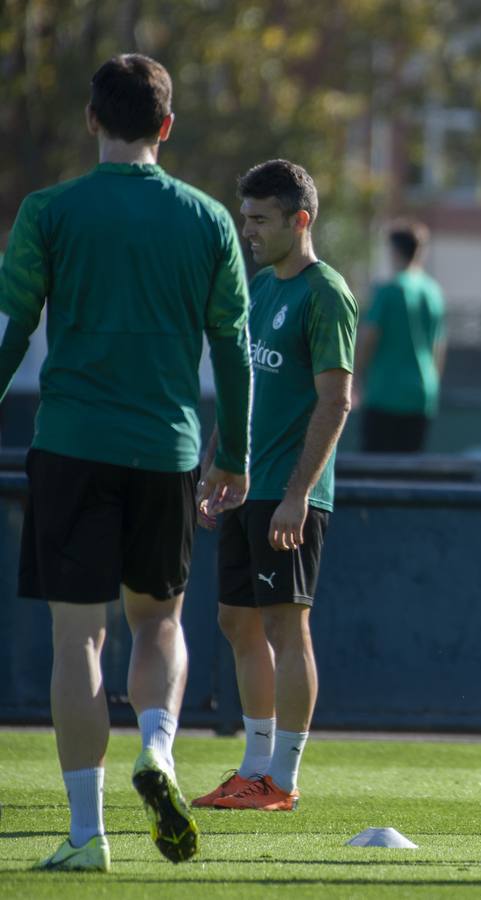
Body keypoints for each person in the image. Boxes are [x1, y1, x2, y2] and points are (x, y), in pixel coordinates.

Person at [0, 54, 252, 870]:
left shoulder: (49, 211)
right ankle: (159, 747)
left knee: (78, 639)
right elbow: (235, 351)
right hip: (169, 450)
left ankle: (87, 834)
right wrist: (236, 454)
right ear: (167, 126)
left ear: (90, 119)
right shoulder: (210, 219)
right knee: (160, 621)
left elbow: (11, 331)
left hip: (71, 443)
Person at [190, 159, 358, 813]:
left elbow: (337, 401)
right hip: (245, 487)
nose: (249, 231)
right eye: (245, 218)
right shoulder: (259, 291)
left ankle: (282, 779)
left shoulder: (326, 293)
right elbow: (241, 394)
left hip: (291, 494)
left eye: (260, 219)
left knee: (288, 628)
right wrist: (216, 467)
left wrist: (297, 493)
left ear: (300, 220)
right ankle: (254, 765)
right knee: (236, 621)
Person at [355, 220, 446, 452]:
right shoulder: (433, 292)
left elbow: (368, 339)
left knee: (374, 475)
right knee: (409, 473)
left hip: (385, 393)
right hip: (421, 395)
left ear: (394, 250)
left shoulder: (389, 291)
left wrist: (354, 379)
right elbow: (438, 349)